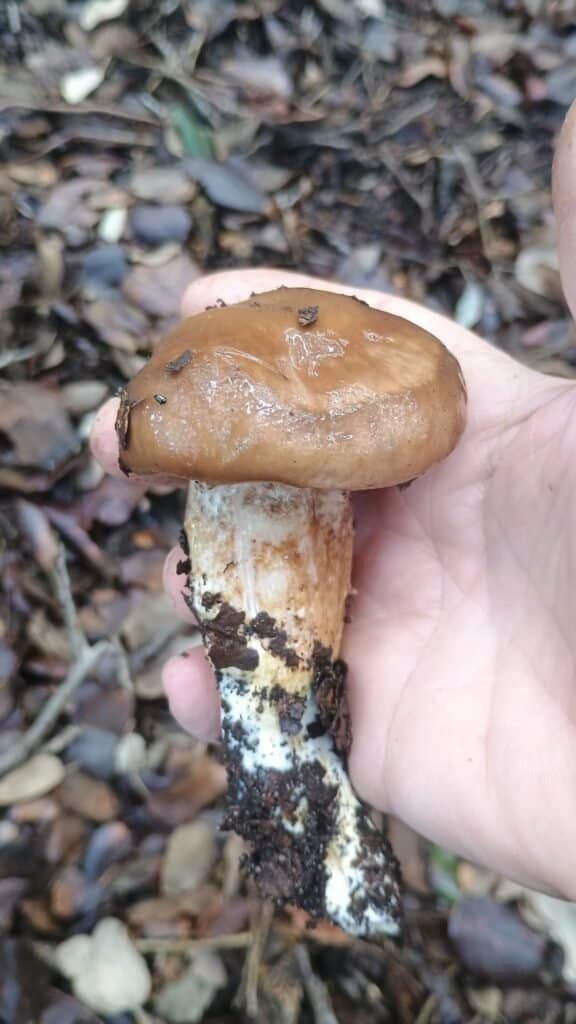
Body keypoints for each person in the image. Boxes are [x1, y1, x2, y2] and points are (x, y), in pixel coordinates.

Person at [90, 102, 576, 903]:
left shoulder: (389, 382)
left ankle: (302, 808)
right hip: (212, 437)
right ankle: (292, 792)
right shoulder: (206, 400)